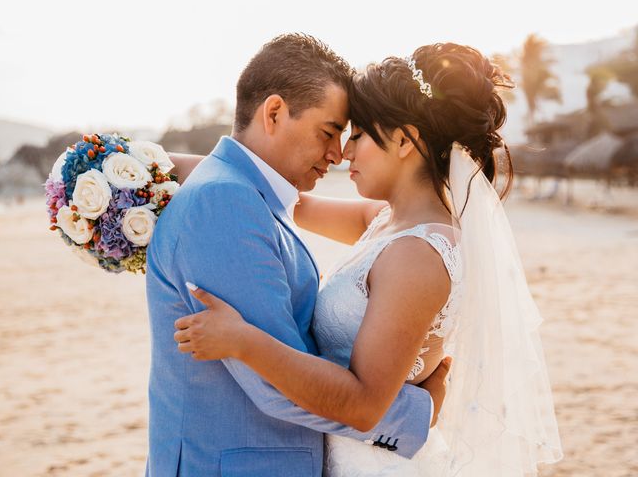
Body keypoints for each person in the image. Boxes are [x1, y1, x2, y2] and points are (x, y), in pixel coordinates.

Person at [173, 43, 563, 475]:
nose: (344, 153)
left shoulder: (417, 256)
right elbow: (283, 197)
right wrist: (149, 166)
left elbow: (363, 405)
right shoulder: (385, 222)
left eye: (358, 134)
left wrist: (243, 340)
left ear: (403, 140)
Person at [146, 33, 447, 477]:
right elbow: (275, 385)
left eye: (350, 136)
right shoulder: (224, 203)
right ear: (273, 113)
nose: (337, 154)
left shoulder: (247, 192)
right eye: (329, 132)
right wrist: (418, 413)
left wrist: (152, 163)